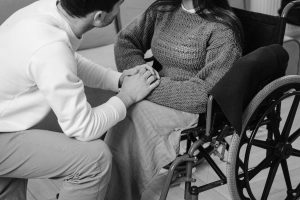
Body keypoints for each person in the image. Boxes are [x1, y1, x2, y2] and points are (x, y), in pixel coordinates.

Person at [0, 0, 160, 199]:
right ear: (99, 17)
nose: (120, 9)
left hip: (4, 122)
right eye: (119, 4)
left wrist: (118, 80)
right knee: (95, 160)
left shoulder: (47, 10)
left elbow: (68, 59)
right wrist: (127, 96)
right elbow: (83, 128)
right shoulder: (50, 47)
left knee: (9, 189)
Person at [104, 0, 243, 199]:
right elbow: (126, 41)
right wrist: (141, 73)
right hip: (155, 88)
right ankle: (102, 187)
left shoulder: (222, 29)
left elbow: (203, 95)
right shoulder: (162, 9)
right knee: (118, 112)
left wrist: (146, 86)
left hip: (189, 103)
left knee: (133, 115)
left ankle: (115, 193)